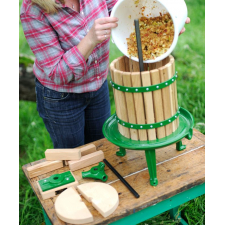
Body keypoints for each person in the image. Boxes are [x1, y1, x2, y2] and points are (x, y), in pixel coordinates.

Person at [20, 0, 190, 149]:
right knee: (73, 157)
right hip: (62, 98)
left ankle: (101, 186)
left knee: (102, 149)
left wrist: (164, 25)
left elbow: (123, 9)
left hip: (98, 85)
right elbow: (58, 73)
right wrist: (90, 40)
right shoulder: (33, 10)